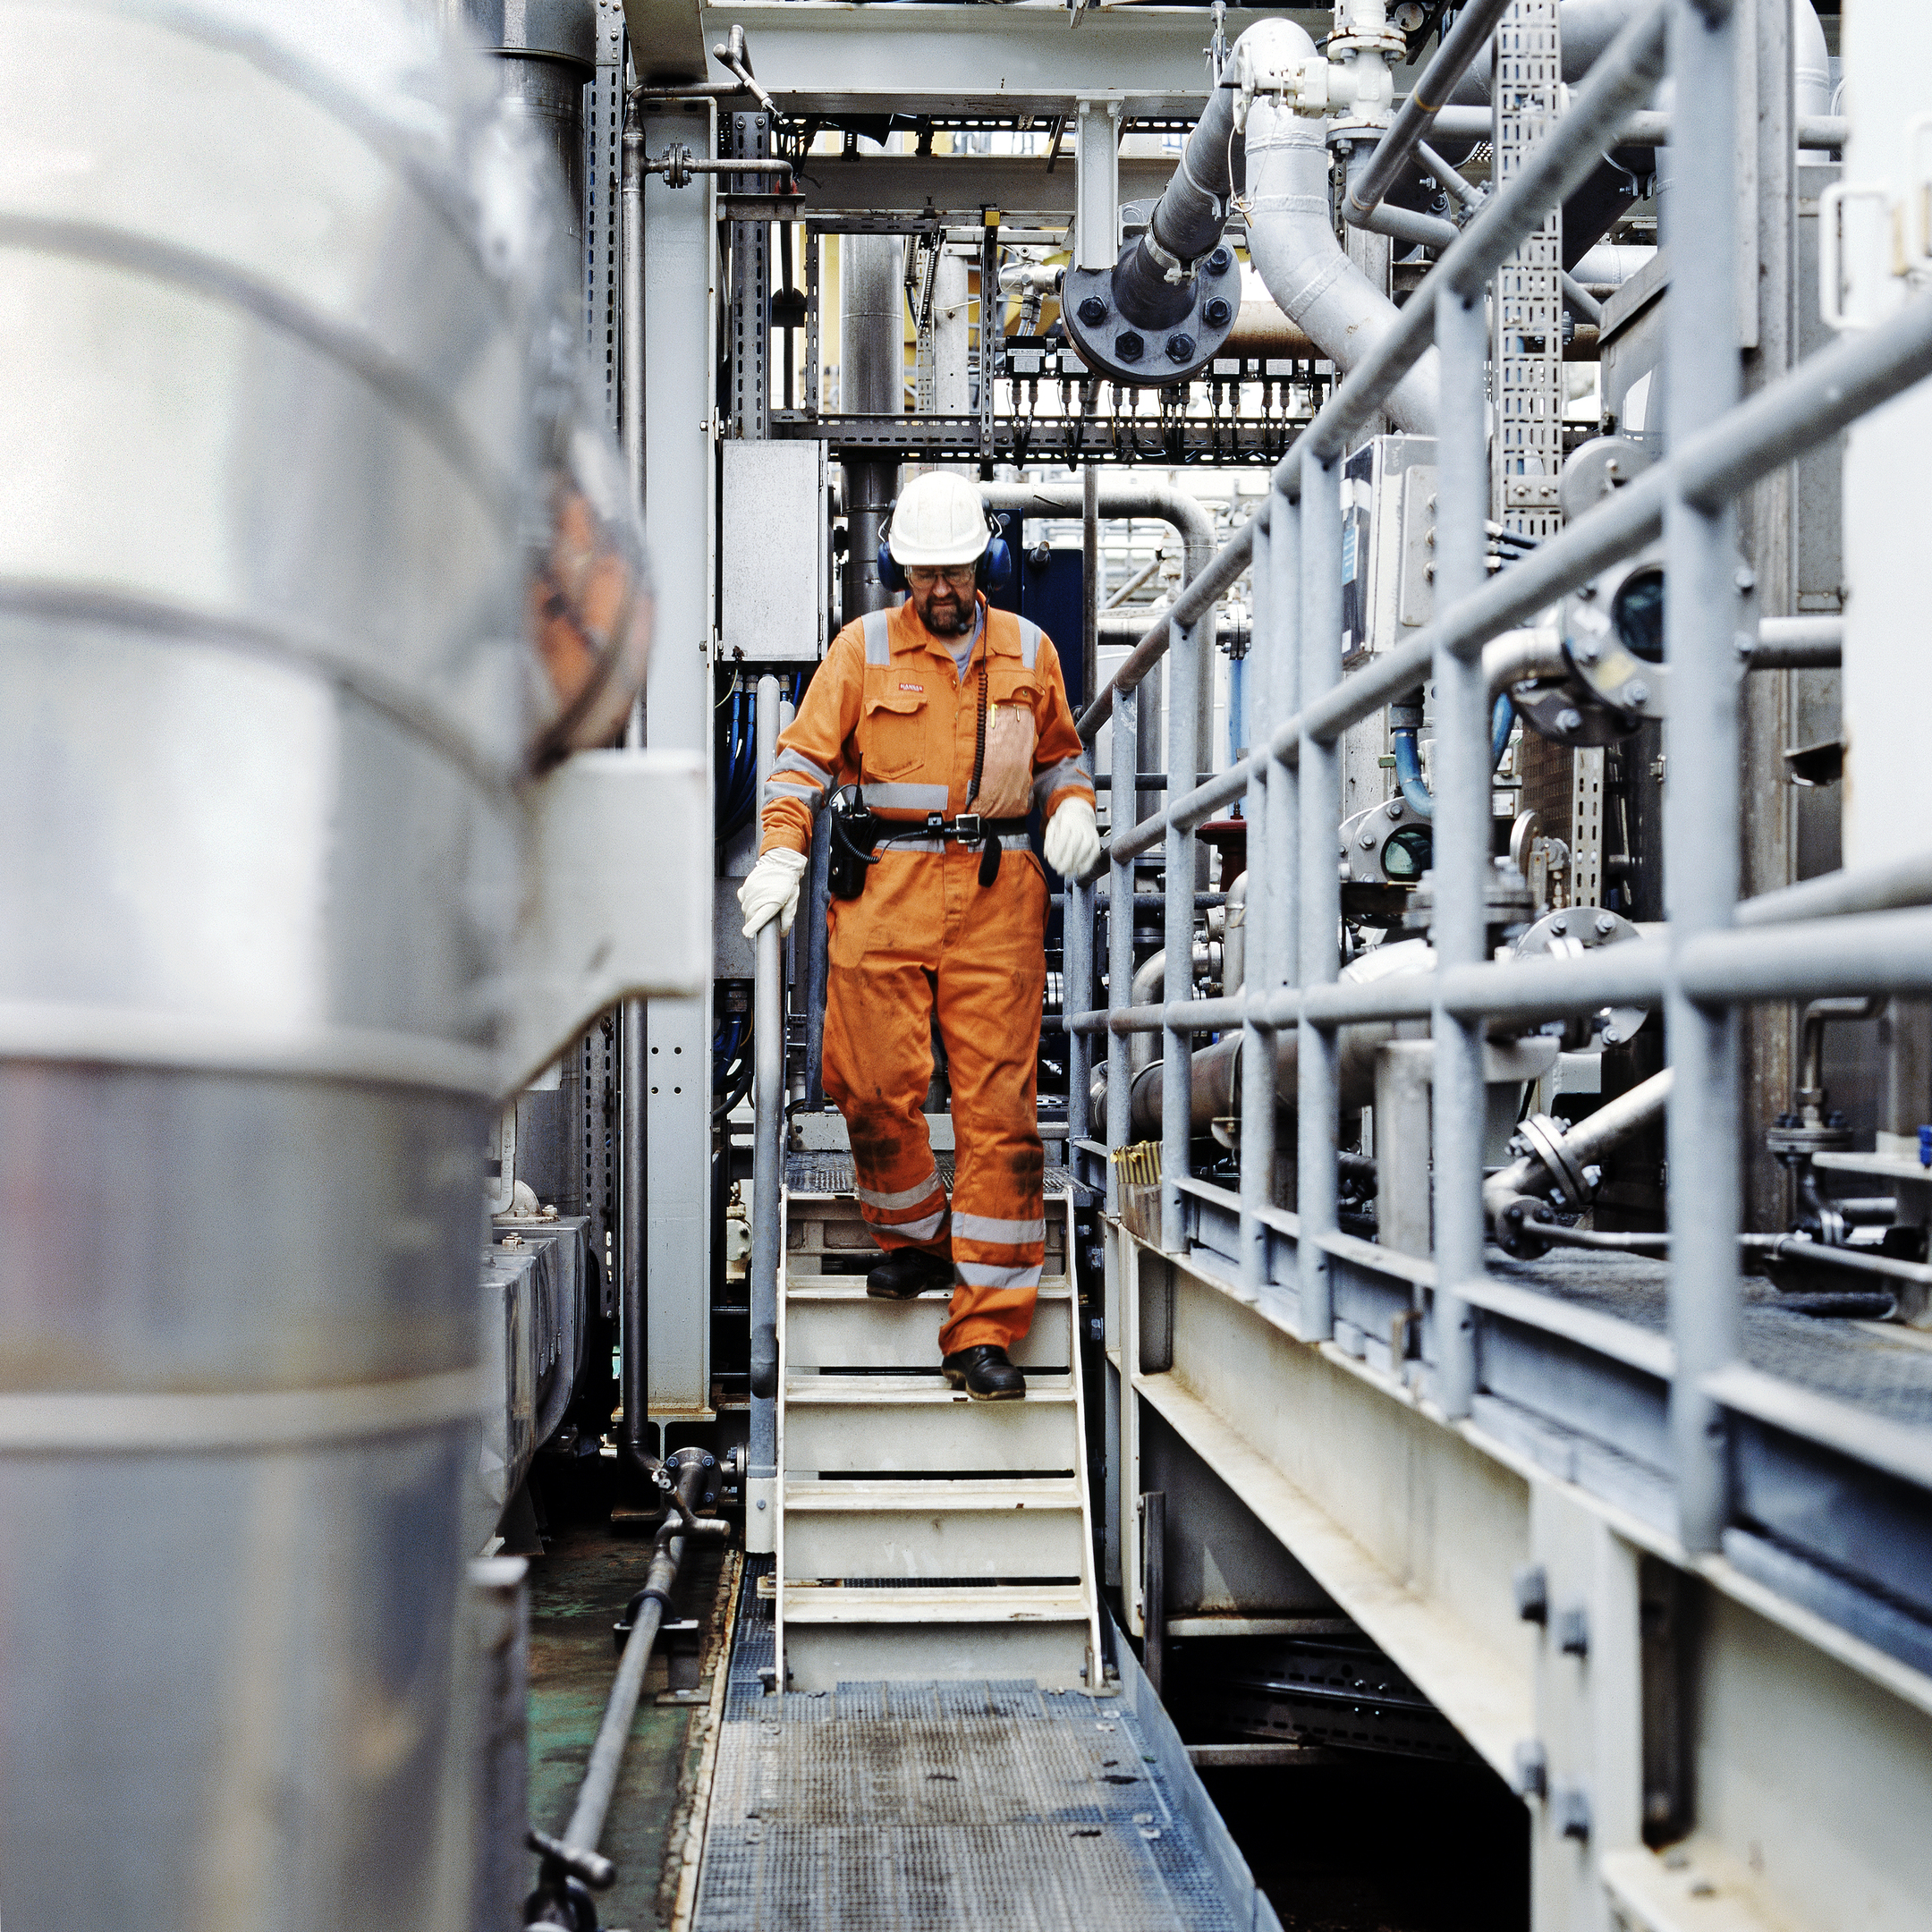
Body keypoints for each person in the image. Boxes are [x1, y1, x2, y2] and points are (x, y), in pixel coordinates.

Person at [738, 470, 1103, 1400]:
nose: (942, 589)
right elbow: (799, 763)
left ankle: (983, 1328)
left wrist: (1072, 809)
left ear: (983, 560)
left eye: (956, 571)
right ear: (901, 569)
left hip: (996, 897)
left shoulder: (1030, 650)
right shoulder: (860, 652)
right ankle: (910, 1237)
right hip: (885, 893)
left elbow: (1060, 755)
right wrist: (781, 854)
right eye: (924, 574)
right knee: (867, 1087)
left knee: (1000, 1116)